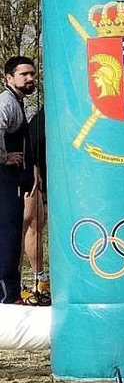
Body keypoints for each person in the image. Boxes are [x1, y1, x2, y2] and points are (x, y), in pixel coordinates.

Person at [0, 57, 36, 305]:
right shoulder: (6, 102)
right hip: (4, 180)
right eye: (24, 74)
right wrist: (3, 157)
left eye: (32, 74)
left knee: (12, 233)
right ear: (9, 78)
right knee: (8, 235)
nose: (30, 78)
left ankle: (10, 293)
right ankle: (6, 296)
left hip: (13, 180)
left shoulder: (18, 103)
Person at [21, 107, 49, 305]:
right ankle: (34, 279)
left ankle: (40, 279)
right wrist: (34, 174)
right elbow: (32, 145)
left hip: (46, 177)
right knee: (30, 225)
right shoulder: (44, 117)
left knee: (38, 225)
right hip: (30, 173)